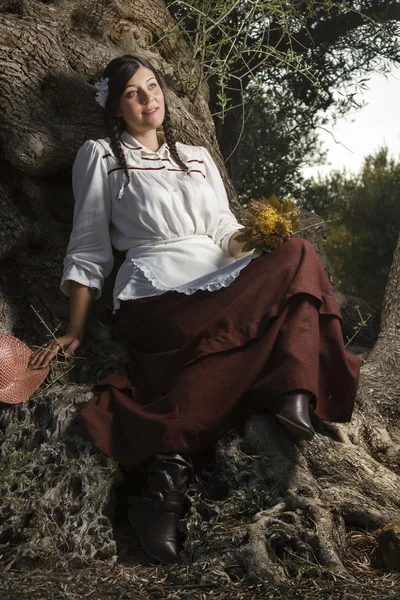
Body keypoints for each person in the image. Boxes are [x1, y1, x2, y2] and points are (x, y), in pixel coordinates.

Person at [30, 54, 360, 565]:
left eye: (153, 87)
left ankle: (167, 487)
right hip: (157, 295)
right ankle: (282, 382)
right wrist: (75, 326)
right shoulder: (101, 156)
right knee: (253, 322)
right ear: (117, 108)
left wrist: (260, 234)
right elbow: (89, 244)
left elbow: (227, 236)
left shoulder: (199, 158)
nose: (148, 99)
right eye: (133, 94)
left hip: (221, 282)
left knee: (297, 253)